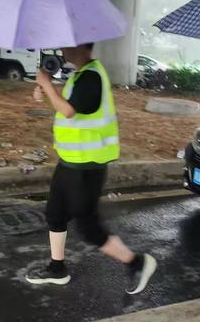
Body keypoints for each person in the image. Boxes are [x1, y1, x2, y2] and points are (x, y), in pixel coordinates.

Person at [25, 43, 157, 295]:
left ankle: (137, 263)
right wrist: (45, 88)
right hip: (70, 162)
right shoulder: (80, 74)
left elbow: (68, 110)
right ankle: (57, 269)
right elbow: (68, 105)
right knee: (54, 213)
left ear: (79, 46)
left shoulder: (92, 77)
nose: (62, 49)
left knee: (88, 227)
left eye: (66, 44)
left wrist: (47, 85)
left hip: (87, 166)